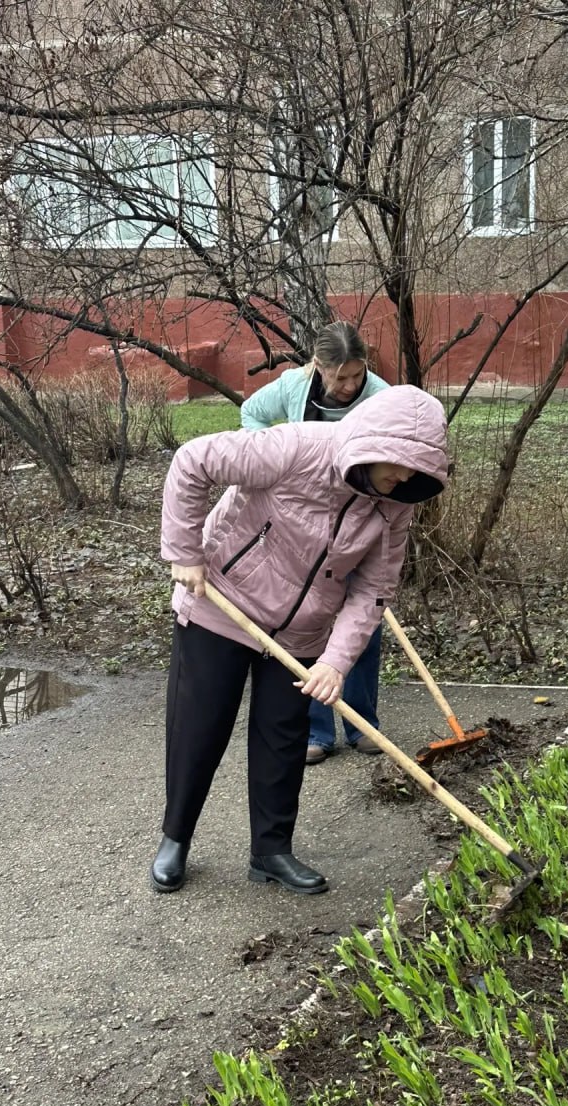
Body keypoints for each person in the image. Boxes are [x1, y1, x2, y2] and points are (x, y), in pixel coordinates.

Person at [151, 384, 448, 896]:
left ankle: (271, 851)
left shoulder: (394, 505)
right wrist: (185, 551)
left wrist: (336, 662)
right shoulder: (298, 448)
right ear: (371, 441)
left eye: (416, 472)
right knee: (200, 727)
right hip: (222, 605)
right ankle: (175, 839)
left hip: (302, 629)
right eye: (398, 464)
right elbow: (193, 460)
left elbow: (375, 589)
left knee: (283, 740)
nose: (404, 478)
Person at [240, 321, 391, 765]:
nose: (349, 386)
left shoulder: (380, 398)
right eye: (339, 377)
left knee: (362, 623)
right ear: (317, 367)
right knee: (310, 620)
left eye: (356, 375)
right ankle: (317, 731)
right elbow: (252, 413)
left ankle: (363, 724)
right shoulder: (294, 386)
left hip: (361, 521)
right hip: (303, 523)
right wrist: (271, 462)